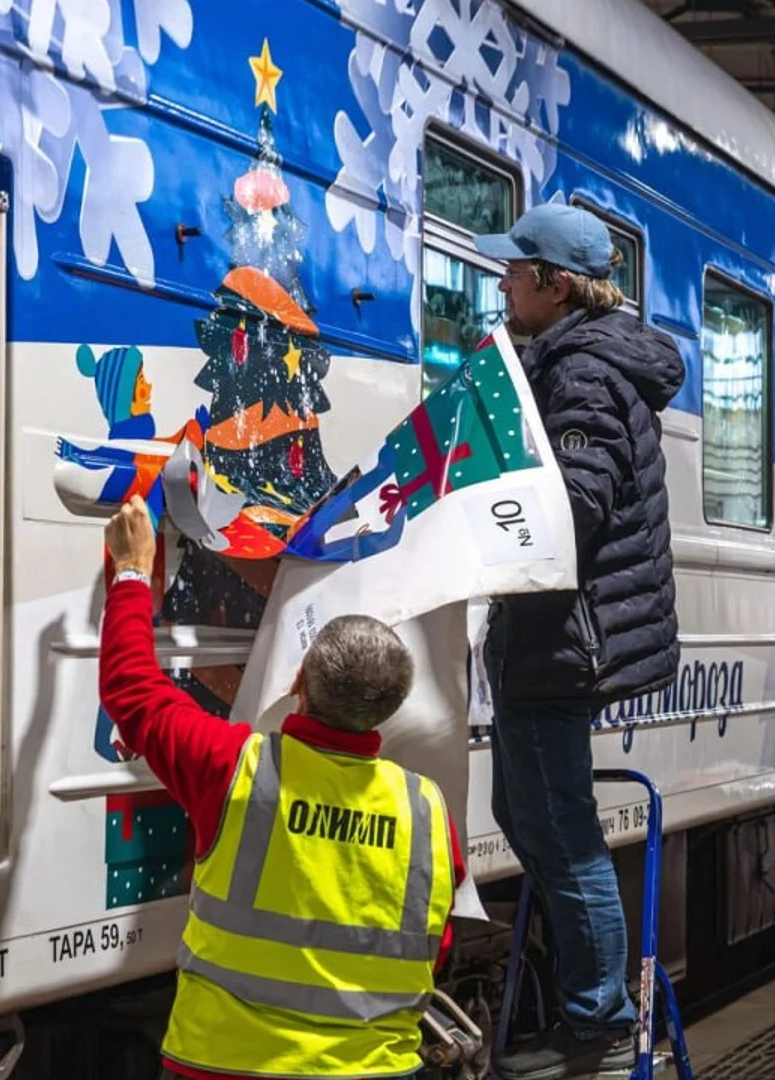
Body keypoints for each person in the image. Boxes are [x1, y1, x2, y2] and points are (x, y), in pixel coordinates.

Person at [97, 495, 465, 1080]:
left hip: (223, 1065)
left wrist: (133, 570)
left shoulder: (233, 768)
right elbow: (433, 947)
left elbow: (132, 691)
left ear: (299, 683)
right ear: (388, 709)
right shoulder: (427, 814)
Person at [470, 203, 686, 1080]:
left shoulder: (582, 373)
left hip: (564, 639)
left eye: (515, 272)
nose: (502, 282)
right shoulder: (567, 356)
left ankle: (596, 1026)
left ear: (555, 287)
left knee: (561, 830)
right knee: (524, 816)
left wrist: (478, 520)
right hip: (549, 638)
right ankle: (586, 997)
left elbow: (578, 504)